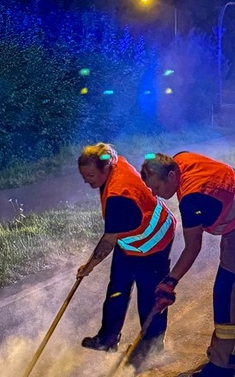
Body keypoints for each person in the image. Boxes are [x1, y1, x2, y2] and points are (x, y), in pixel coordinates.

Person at [140, 152, 235, 377]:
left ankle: (224, 365)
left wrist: (170, 281)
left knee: (227, 290)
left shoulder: (193, 198)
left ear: (172, 176)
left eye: (157, 188)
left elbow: (192, 248)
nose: (155, 194)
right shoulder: (180, 159)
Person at [76, 143, 176, 365]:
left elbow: (109, 240)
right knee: (118, 287)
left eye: (91, 175)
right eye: (84, 176)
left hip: (155, 240)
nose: (87, 181)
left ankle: (152, 346)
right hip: (131, 238)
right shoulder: (113, 161)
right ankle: (108, 338)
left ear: (106, 169)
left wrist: (89, 267)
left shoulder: (119, 194)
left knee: (149, 294)